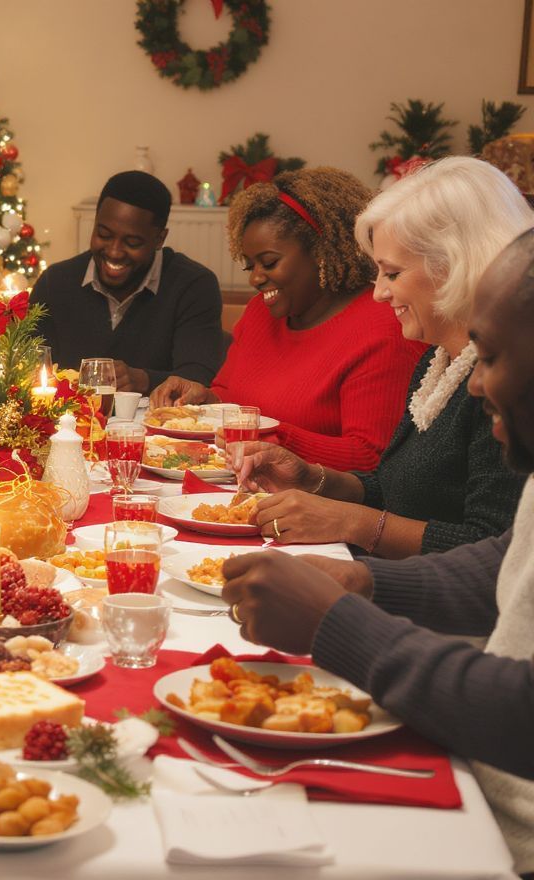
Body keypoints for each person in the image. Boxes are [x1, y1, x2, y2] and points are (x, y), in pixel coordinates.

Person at [221, 228, 534, 876]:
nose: (476, 387)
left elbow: (522, 713)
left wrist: (337, 624)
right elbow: (504, 567)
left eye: (495, 358)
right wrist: (364, 583)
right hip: (476, 771)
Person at [235, 158, 530, 555]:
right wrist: (313, 479)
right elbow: (395, 488)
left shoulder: (504, 381)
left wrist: (352, 523)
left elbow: (494, 549)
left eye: (392, 274)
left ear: (452, 265)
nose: (378, 293)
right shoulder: (437, 362)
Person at [151, 167, 425, 471]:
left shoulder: (382, 327)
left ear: (322, 252)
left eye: (269, 262)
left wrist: (269, 436)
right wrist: (203, 398)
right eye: (249, 265)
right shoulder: (260, 312)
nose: (255, 278)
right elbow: (231, 396)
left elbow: (371, 458)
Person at [31, 171, 224, 393]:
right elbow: (30, 367)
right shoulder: (54, 283)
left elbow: (198, 378)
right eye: (104, 234)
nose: (114, 252)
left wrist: (143, 380)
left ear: (160, 239)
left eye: (132, 242)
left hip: (159, 425)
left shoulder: (194, 286)